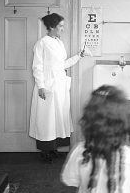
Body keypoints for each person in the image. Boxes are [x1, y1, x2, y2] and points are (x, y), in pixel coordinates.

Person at [29, 13, 89, 162]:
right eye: (60, 26)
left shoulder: (59, 43)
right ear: (51, 27)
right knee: (46, 118)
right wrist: (41, 86)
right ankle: (45, 151)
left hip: (60, 85)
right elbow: (37, 67)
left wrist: (79, 56)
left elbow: (62, 64)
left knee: (58, 117)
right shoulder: (41, 43)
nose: (63, 29)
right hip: (47, 85)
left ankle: (53, 148)